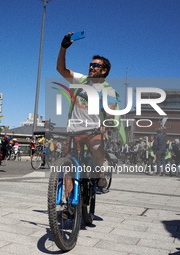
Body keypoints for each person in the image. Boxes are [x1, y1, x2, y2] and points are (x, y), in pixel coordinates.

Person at [57, 32, 118, 189]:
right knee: (68, 169)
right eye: (91, 64)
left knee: (97, 148)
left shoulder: (108, 90)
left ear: (104, 71)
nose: (91, 67)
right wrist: (63, 47)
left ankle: (98, 173)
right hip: (74, 130)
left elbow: (110, 112)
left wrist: (106, 125)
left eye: (96, 65)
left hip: (93, 131)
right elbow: (61, 69)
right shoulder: (81, 80)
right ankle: (68, 206)